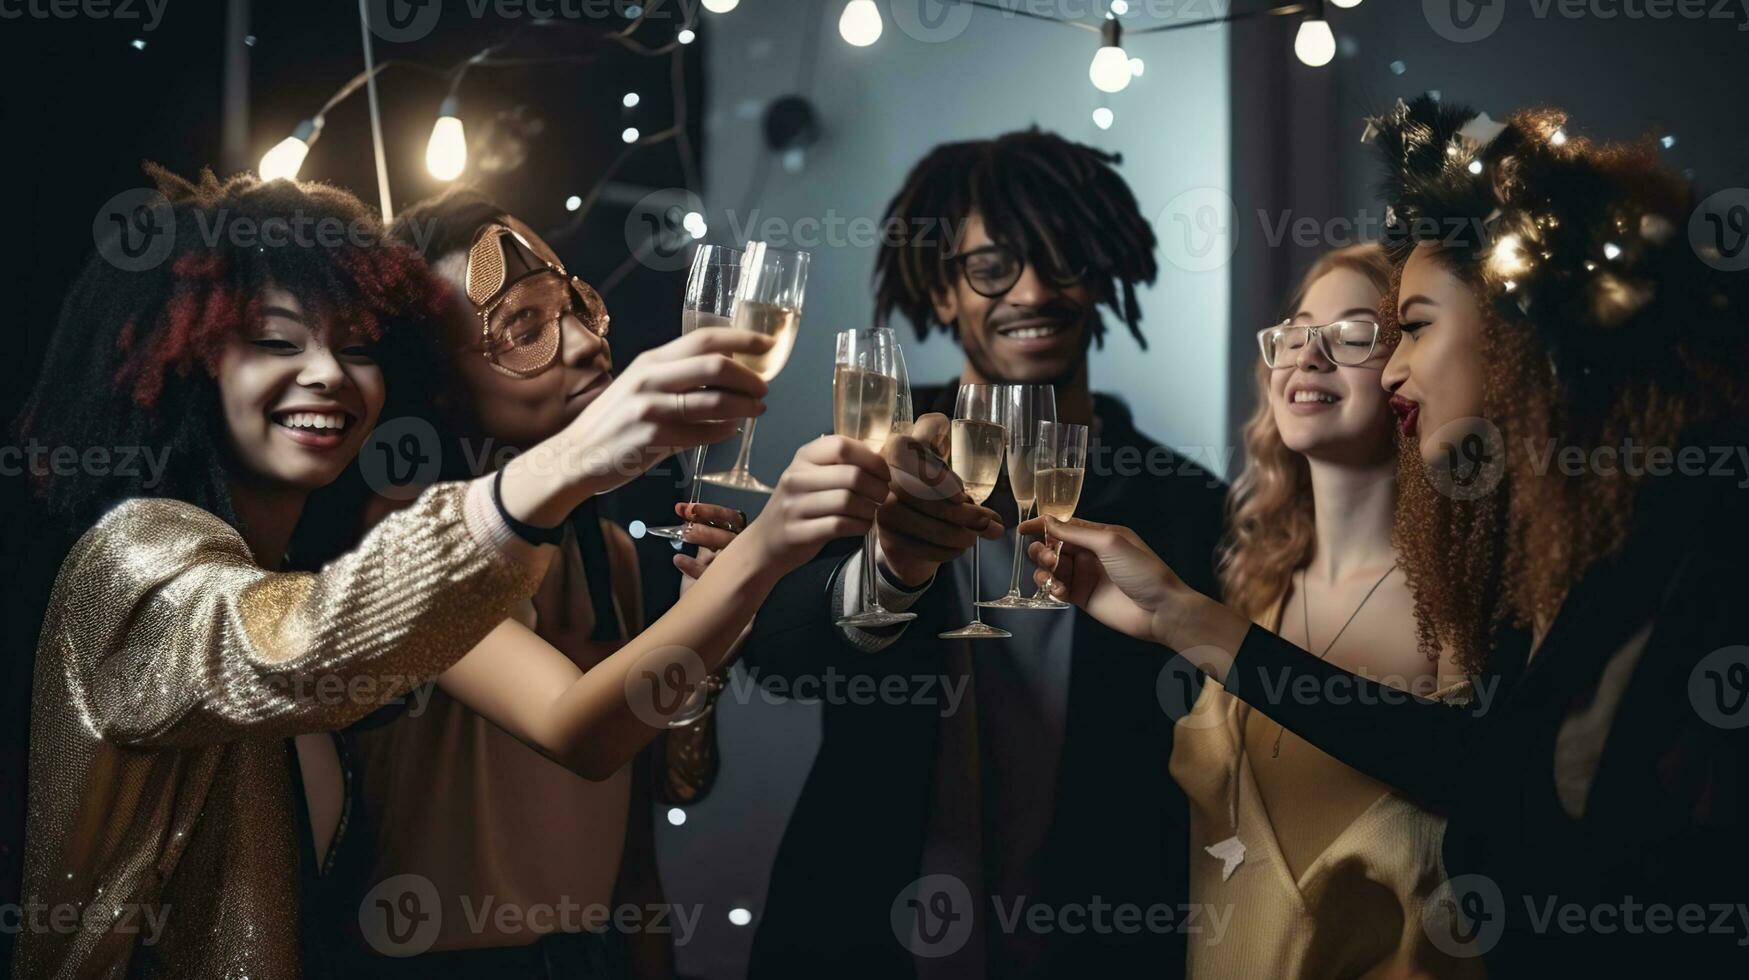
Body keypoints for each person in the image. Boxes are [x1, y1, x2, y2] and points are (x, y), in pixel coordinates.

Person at [12, 167, 887, 980]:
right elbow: (310, 642)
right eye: (276, 340)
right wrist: (741, 541)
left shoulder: (578, 549)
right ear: (186, 362)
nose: (323, 371)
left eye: (355, 348)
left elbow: (653, 792)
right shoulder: (136, 563)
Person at [1022, 97, 1749, 975]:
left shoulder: (1607, 555)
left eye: (1392, 331)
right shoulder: (1248, 568)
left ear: (1522, 323)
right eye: (1293, 335)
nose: (1380, 364)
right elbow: (1476, 769)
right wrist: (1179, 614)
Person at [742, 129, 1229, 979]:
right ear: (939, 292)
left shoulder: (1184, 506)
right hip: (864, 936)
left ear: (1102, 273)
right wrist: (889, 568)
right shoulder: (867, 453)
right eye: (993, 266)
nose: (1032, 291)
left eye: (1061, 259)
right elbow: (779, 658)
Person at [307, 189, 746, 978]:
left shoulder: (606, 549)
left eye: (574, 307)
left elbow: (674, 786)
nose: (581, 344)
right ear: (439, 380)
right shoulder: (400, 545)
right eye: (524, 329)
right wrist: (754, 571)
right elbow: (585, 737)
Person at [1177, 242, 1480, 978]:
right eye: (1294, 330)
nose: (1307, 355)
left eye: (1351, 334)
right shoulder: (1248, 585)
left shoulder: (1458, 611)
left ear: (1409, 368)